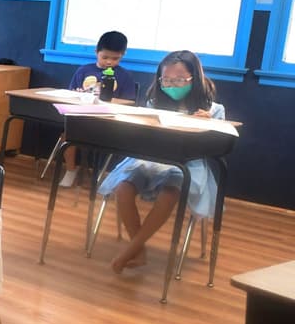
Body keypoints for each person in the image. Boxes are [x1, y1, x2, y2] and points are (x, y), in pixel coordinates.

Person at [98, 50, 225, 274]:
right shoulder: (154, 103)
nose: (172, 85)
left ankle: (131, 250)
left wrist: (209, 126)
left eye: (179, 80)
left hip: (188, 165)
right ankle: (139, 251)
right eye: (166, 80)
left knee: (170, 192)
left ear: (194, 79)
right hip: (150, 160)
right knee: (123, 188)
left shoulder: (213, 110)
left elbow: (219, 146)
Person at [61, 31, 137, 187]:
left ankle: (104, 177)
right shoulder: (83, 71)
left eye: (115, 58)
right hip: (83, 119)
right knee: (67, 134)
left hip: (110, 123)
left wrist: (108, 101)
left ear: (123, 55)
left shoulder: (125, 76)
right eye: (105, 57)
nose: (109, 62)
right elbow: (70, 94)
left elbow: (130, 102)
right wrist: (79, 95)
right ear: (96, 52)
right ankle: (70, 170)